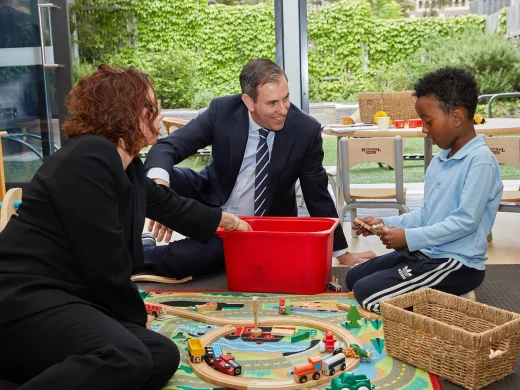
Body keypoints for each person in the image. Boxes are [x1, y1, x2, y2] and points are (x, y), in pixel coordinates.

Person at [0, 64, 250, 389]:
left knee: (160, 355)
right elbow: (105, 263)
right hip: (24, 296)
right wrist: (135, 318)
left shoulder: (127, 164)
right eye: (151, 107)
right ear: (125, 111)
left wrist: (222, 220)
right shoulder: (88, 158)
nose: (159, 116)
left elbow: (165, 203)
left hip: (66, 294)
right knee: (126, 355)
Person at [143, 58, 375, 278]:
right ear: (248, 101)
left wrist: (341, 253)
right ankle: (131, 238)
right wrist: (164, 197)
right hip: (210, 199)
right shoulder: (222, 111)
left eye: (286, 98)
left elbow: (317, 194)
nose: (283, 109)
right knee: (147, 179)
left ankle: (139, 256)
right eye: (272, 103)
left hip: (255, 227)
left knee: (194, 258)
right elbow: (167, 148)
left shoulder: (305, 130)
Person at [348, 67, 503, 313]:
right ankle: (425, 295)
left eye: (428, 121)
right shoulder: (441, 159)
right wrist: (383, 222)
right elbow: (425, 214)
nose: (424, 128)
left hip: (457, 264)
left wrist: (409, 238)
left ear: (457, 117)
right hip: (426, 254)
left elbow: (465, 223)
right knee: (353, 278)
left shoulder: (480, 161)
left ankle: (439, 313)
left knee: (365, 293)